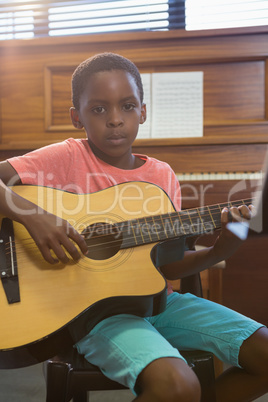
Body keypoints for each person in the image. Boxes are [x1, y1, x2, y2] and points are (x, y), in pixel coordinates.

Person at [0, 52, 267, 402]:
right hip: (92, 314)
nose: (115, 120)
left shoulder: (161, 176)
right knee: (178, 386)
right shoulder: (65, 157)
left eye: (127, 106)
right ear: (76, 116)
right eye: (98, 109)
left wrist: (219, 250)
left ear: (143, 110)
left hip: (160, 304)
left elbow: (168, 265)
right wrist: (34, 217)